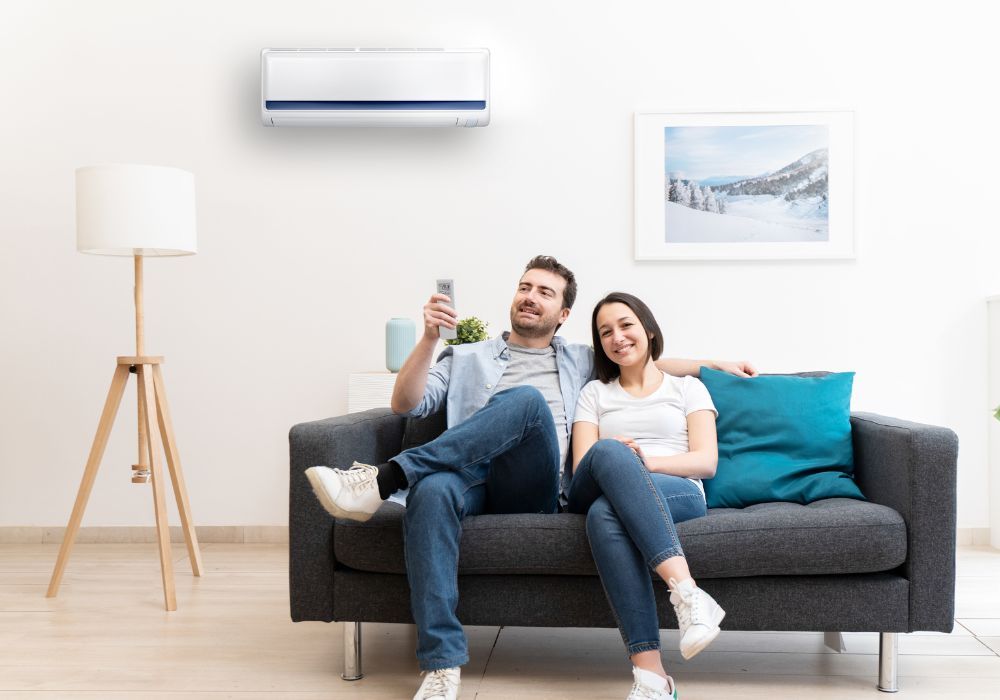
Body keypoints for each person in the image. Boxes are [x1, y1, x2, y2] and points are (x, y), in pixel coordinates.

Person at [305, 256, 756, 700]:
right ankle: (441, 664)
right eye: (525, 287)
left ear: (562, 315)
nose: (530, 297)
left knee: (523, 402)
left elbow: (640, 360)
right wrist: (427, 339)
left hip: (534, 482)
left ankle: (383, 480)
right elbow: (407, 405)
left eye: (545, 292)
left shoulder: (581, 361)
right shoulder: (463, 355)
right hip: (469, 477)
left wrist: (710, 365)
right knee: (432, 488)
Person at [570, 292, 726, 700]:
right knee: (608, 452)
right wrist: (622, 458)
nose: (617, 337)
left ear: (648, 330)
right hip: (600, 479)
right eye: (605, 332)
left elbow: (706, 461)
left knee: (605, 516)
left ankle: (653, 679)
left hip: (678, 490)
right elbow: (582, 466)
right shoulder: (594, 394)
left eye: (626, 325)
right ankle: (688, 593)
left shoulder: (687, 389)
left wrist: (647, 462)